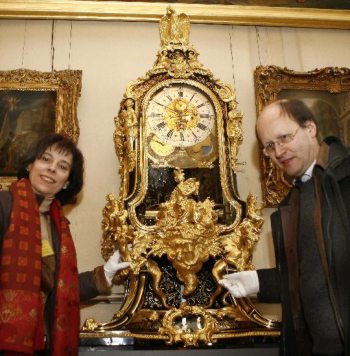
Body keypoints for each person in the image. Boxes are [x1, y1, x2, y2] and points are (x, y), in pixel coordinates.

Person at [219, 99, 350, 356]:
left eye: (285, 138)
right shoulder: (295, 199)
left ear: (310, 128)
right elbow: (309, 277)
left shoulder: (344, 179)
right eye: (270, 146)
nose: (279, 152)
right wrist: (259, 282)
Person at [0, 133, 130, 355]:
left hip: (41, 345)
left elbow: (61, 292)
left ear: (67, 181)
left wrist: (105, 274)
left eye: (62, 166)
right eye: (45, 159)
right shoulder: (4, 204)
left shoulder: (58, 226)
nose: (51, 168)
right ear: (31, 164)